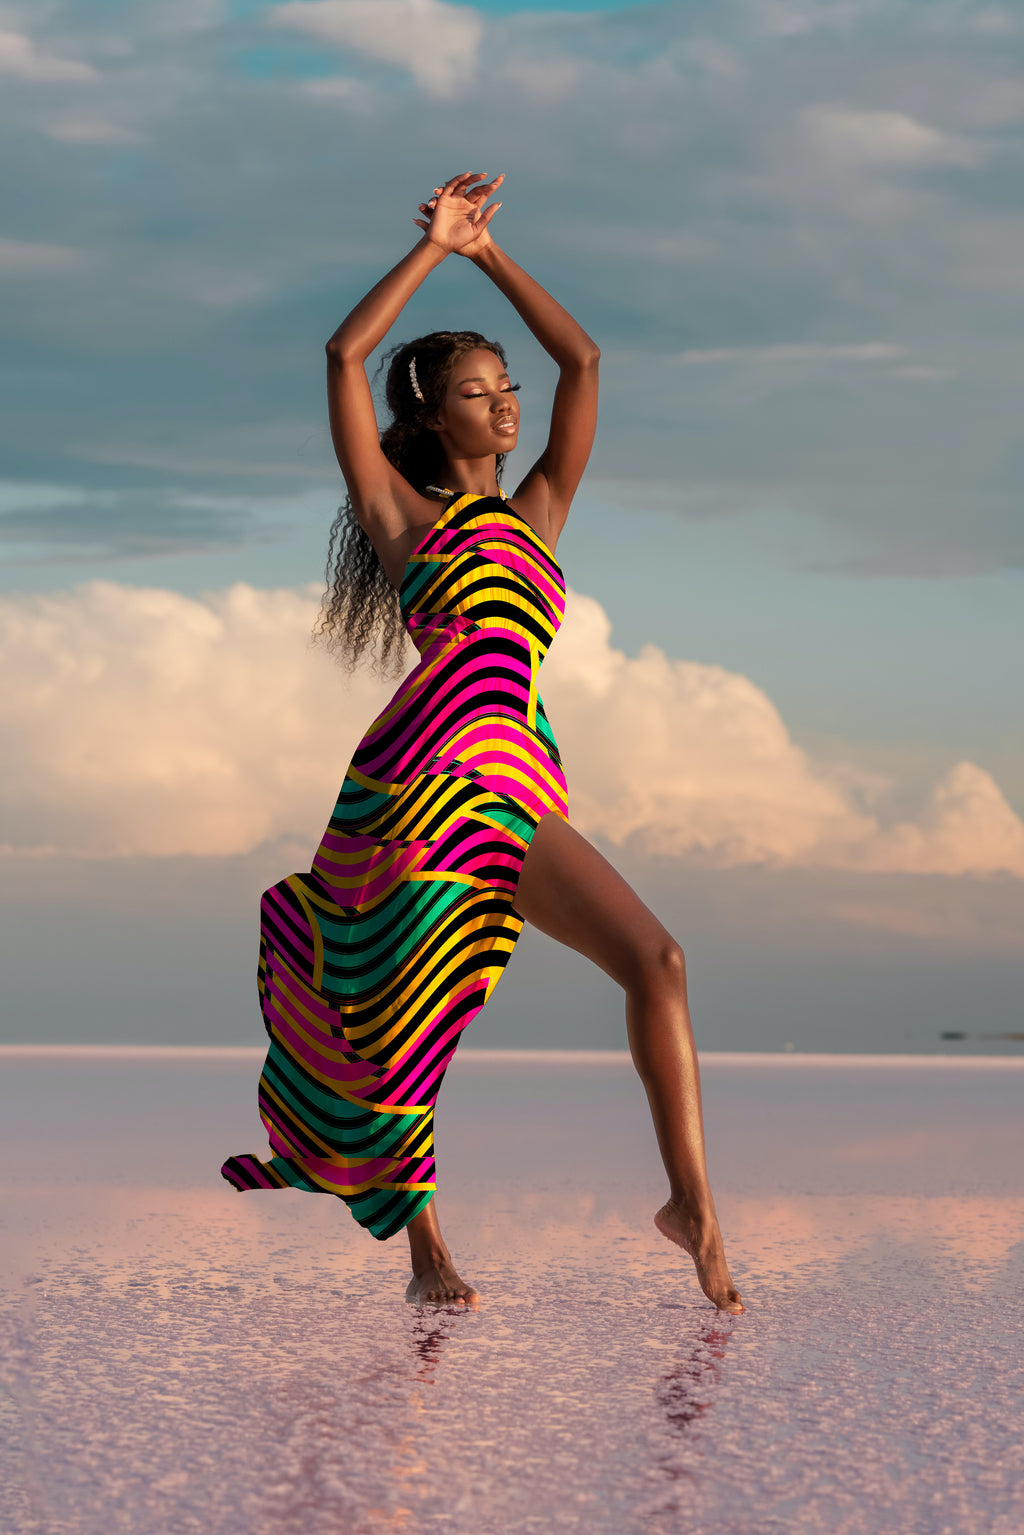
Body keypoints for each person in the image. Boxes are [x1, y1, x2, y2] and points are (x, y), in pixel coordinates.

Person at [222, 172, 744, 1316]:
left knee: (657, 959)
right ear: (430, 419)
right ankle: (426, 1255)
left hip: (514, 784)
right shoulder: (402, 520)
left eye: (505, 386)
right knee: (396, 1023)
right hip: (415, 787)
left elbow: (587, 362)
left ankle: (691, 1203)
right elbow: (340, 357)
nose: (506, 406)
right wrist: (428, 253)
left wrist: (490, 254)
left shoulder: (541, 510)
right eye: (476, 391)